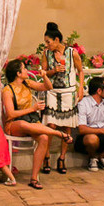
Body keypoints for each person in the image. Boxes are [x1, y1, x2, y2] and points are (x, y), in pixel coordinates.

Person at [2, 59, 74, 190]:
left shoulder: (27, 83)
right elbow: (10, 114)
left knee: (44, 138)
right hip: (14, 124)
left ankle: (34, 178)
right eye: (24, 69)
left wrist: (45, 76)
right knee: (23, 124)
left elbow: (48, 87)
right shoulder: (7, 90)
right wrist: (32, 109)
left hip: (31, 120)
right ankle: (59, 133)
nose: (26, 71)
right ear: (18, 73)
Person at [41, 21, 84, 175]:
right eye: (45, 42)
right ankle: (46, 156)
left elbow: (80, 70)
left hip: (68, 92)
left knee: (67, 127)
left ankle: (62, 158)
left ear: (57, 40)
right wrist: (54, 70)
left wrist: (80, 88)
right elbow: (43, 73)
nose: (47, 45)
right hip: (52, 92)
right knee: (51, 126)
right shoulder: (46, 54)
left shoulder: (72, 53)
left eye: (48, 42)